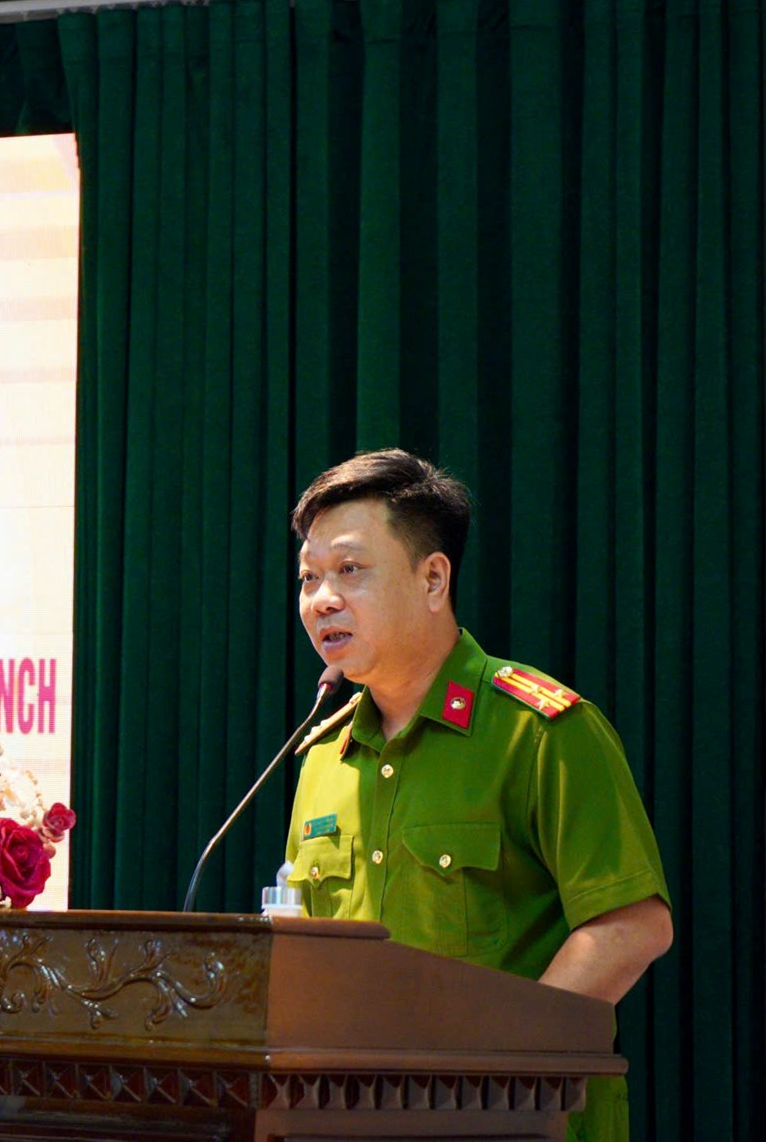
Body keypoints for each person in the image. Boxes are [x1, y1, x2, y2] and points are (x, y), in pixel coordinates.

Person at [284, 449, 671, 1142]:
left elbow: (631, 925)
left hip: (516, 1120)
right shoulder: (322, 760)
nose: (323, 599)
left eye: (350, 569)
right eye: (309, 577)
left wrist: (496, 1075)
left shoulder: (541, 730)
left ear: (433, 578)